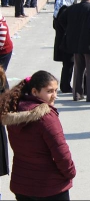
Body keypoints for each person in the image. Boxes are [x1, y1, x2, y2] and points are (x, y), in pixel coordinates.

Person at [0, 71, 76, 200]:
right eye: (50, 91)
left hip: (22, 184)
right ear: (34, 92)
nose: (55, 96)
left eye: (56, 91)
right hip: (50, 186)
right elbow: (61, 152)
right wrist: (70, 173)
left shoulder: (14, 111)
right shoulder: (46, 117)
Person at [59, 0, 90, 102]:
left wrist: (69, 29)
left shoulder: (72, 8)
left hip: (76, 43)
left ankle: (77, 94)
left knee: (78, 69)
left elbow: (61, 19)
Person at [53, 0, 76, 94]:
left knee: (67, 64)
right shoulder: (65, 11)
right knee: (68, 64)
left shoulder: (58, 10)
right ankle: (65, 86)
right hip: (66, 42)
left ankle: (65, 85)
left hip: (61, 41)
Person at [0, 11, 13, 79]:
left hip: (5, 51)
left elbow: (1, 43)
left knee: (1, 72)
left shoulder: (2, 26)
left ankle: (5, 89)